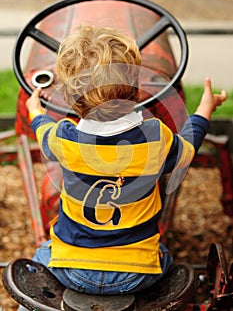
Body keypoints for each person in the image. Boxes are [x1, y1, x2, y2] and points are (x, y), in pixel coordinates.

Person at [25, 25, 226, 296]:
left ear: (70, 98)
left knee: (41, 255)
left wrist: (35, 111)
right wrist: (204, 110)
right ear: (137, 88)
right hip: (137, 274)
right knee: (162, 253)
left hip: (71, 271)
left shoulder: (63, 139)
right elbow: (188, 148)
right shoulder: (155, 137)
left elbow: (42, 130)